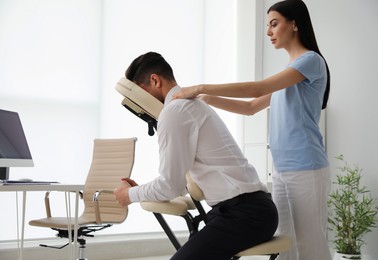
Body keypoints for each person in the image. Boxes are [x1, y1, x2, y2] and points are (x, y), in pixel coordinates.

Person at [172, 1, 332, 260]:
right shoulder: (288, 73)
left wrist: (202, 87)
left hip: (307, 168)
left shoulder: (310, 62)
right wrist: (205, 100)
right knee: (284, 245)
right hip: (281, 170)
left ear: (294, 23)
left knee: (311, 245)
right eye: (267, 25)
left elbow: (257, 89)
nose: (269, 31)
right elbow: (251, 107)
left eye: (274, 23)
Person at [114, 51, 278, 260]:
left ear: (155, 80)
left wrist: (129, 195)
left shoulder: (175, 111)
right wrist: (140, 190)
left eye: (140, 92)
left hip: (246, 214)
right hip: (244, 211)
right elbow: (180, 184)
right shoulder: (190, 105)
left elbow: (170, 186)